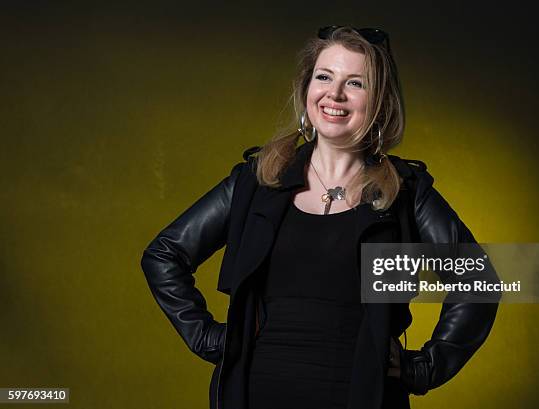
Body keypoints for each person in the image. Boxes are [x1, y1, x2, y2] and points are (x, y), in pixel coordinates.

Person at [141, 26, 500, 409]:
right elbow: (164, 254)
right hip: (257, 395)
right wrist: (208, 337)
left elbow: (477, 279)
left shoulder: (407, 192)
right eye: (324, 76)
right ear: (306, 88)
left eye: (356, 83)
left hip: (359, 396)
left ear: (380, 101)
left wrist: (424, 368)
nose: (335, 94)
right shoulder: (257, 179)